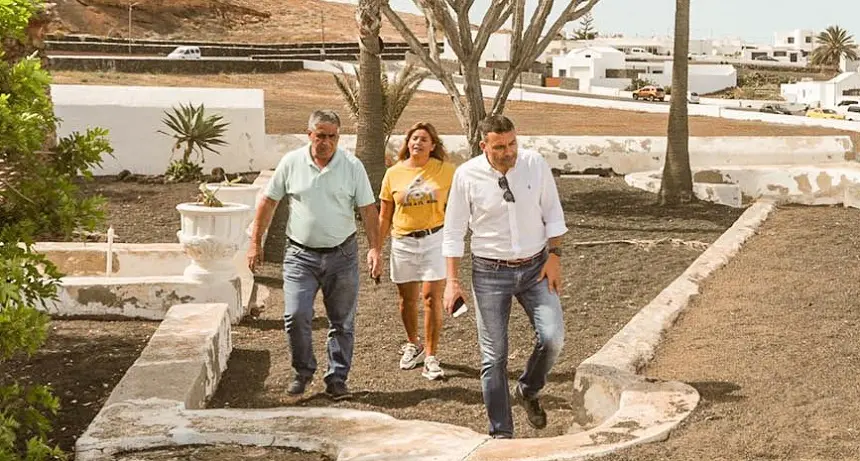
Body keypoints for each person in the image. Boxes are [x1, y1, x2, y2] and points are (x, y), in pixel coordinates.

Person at [441, 114, 567, 439]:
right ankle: (501, 435)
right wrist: (452, 282)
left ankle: (527, 390)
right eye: (499, 147)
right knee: (493, 356)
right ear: (483, 145)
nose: (508, 151)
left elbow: (552, 213)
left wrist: (555, 256)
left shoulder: (534, 164)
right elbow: (453, 232)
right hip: (489, 273)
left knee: (552, 337)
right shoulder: (466, 176)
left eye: (512, 143)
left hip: (536, 267)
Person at [246, 109, 381, 401]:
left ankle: (337, 379)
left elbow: (368, 210)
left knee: (342, 321)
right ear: (309, 135)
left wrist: (374, 248)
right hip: (300, 255)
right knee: (295, 315)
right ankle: (302, 372)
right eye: (321, 136)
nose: (326, 142)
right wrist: (255, 242)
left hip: (342, 255)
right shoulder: (292, 163)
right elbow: (268, 202)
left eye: (332, 136)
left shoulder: (352, 166)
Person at [377, 122, 456, 380]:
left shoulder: (446, 171)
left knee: (431, 297)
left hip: (435, 239)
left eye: (424, 139)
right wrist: (376, 249)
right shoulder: (393, 174)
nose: (418, 143)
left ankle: (432, 357)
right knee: (406, 300)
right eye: (414, 138)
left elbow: (461, 203)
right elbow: (384, 215)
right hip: (403, 242)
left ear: (433, 145)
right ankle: (414, 344)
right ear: (407, 144)